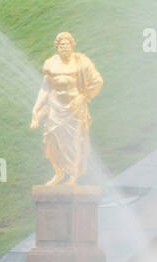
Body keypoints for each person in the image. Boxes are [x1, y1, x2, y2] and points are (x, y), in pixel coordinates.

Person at [31, 32, 103, 187]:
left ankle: (73, 176)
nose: (64, 47)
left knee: (72, 142)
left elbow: (97, 81)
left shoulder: (82, 63)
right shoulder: (50, 64)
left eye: (67, 44)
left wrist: (84, 97)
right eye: (61, 45)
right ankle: (58, 173)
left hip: (74, 109)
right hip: (55, 108)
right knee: (49, 141)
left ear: (72, 46)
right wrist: (36, 108)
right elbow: (45, 88)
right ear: (57, 47)